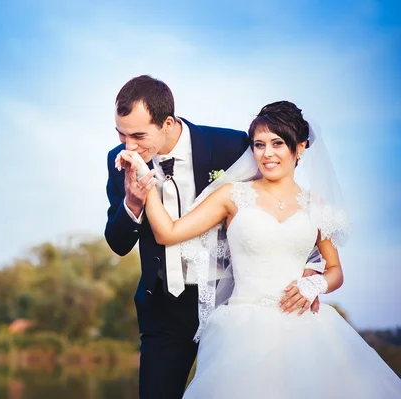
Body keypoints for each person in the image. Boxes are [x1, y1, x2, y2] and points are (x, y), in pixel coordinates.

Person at [116, 101, 401, 398]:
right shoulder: (233, 195)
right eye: (259, 144)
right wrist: (143, 181)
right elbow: (168, 233)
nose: (267, 154)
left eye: (278, 144)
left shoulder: (317, 206)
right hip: (243, 329)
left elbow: (335, 270)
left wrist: (314, 283)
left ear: (300, 147)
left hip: (305, 329)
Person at [106, 74, 266, 398]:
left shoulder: (232, 147)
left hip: (230, 302)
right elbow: (119, 243)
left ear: (167, 122)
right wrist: (132, 202)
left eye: (138, 135)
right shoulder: (117, 161)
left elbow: (274, 208)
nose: (128, 147)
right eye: (121, 134)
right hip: (164, 307)